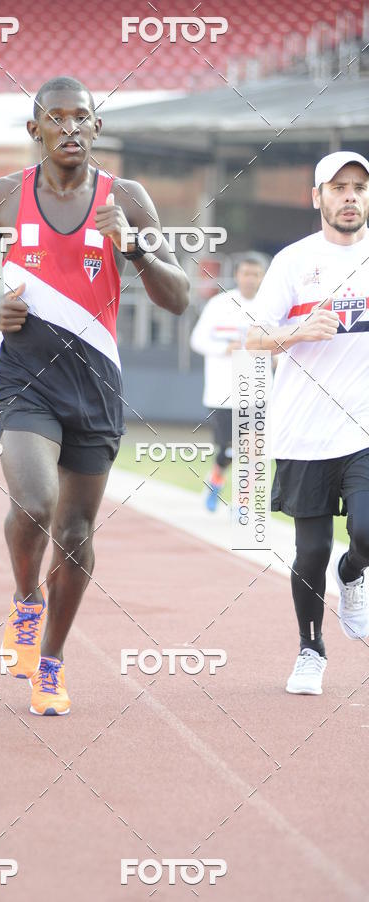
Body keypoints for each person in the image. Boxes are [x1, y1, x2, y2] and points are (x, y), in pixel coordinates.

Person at [0, 76, 189, 715]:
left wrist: (134, 247)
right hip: (25, 374)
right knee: (34, 503)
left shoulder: (127, 200)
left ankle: (51, 661)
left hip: (97, 383)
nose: (70, 128)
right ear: (35, 131)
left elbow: (178, 297)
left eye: (81, 117)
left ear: (97, 127)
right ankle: (26, 601)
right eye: (55, 118)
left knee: (78, 530)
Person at [246, 150, 369, 695]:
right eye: (338, 187)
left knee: (365, 533)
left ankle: (354, 572)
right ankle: (310, 651)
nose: (350, 197)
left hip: (363, 426)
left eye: (359, 188)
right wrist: (297, 331)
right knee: (310, 551)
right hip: (305, 430)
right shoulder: (293, 262)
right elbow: (253, 337)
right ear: (316, 197)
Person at [190, 255, 266, 511]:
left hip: (258, 391)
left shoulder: (271, 306)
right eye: (246, 273)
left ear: (262, 277)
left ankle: (242, 503)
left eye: (255, 274)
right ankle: (216, 479)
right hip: (222, 391)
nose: (250, 279)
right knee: (228, 450)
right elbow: (197, 340)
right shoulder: (219, 304)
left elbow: (283, 344)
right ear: (237, 275)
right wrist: (226, 347)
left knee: (252, 449)